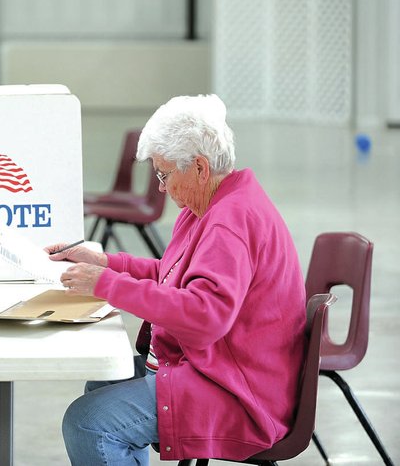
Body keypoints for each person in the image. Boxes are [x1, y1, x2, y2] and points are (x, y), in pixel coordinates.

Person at [47, 94, 307, 465]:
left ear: (199, 168)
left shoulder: (230, 221)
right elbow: (172, 274)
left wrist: (104, 284)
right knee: (104, 382)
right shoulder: (209, 204)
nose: (161, 188)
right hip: (213, 366)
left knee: (88, 422)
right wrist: (103, 262)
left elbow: (205, 315)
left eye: (164, 174)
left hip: (237, 388)